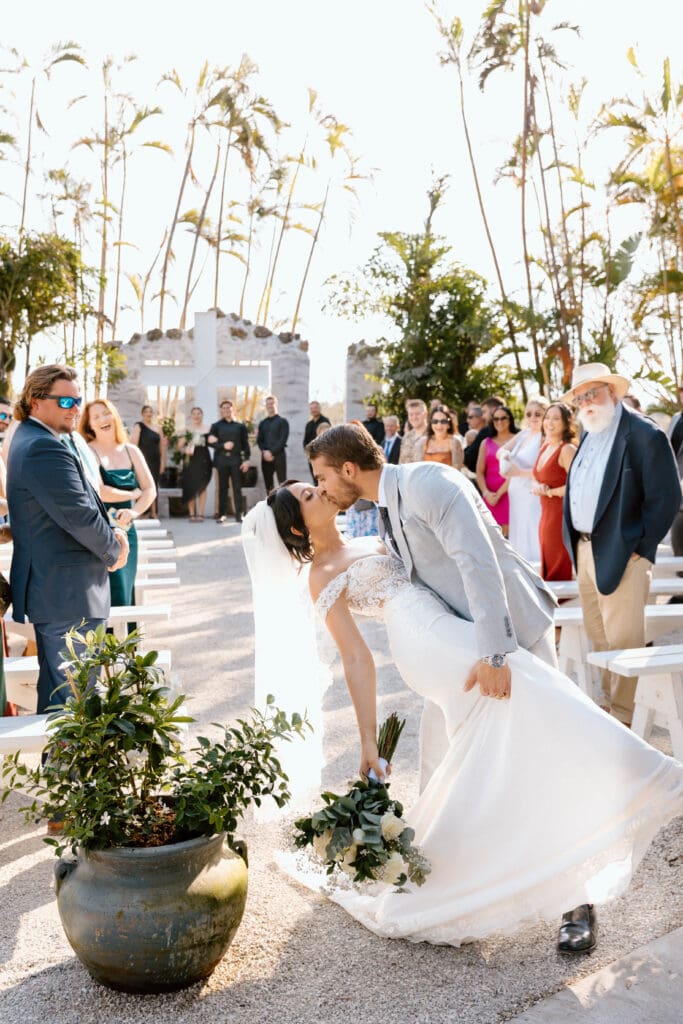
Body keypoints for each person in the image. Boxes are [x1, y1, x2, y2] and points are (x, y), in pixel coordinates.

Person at [243, 466, 683, 952]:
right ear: (298, 528)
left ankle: (483, 870)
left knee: (504, 745)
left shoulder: (372, 532)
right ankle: (655, 777)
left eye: (316, 483)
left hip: (449, 626)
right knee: (538, 695)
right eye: (309, 493)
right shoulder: (321, 574)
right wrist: (367, 741)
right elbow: (356, 658)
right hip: (427, 644)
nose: (320, 489)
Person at [562, 363, 681, 727]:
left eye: (593, 393)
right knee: (599, 640)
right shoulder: (591, 433)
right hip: (585, 550)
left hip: (624, 552)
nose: (586, 403)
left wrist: (642, 546)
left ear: (612, 392)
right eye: (580, 398)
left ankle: (624, 723)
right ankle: (607, 714)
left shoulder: (644, 434)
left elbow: (667, 497)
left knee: (623, 643)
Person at [7, 365, 129, 715]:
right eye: (65, 400)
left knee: (65, 703)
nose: (75, 408)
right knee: (72, 709)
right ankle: (65, 772)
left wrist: (115, 529)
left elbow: (82, 505)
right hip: (67, 596)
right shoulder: (42, 447)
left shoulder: (40, 439)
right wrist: (115, 549)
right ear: (35, 401)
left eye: (78, 399)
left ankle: (60, 771)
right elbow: (80, 515)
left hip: (61, 593)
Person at [79, 399, 156, 614]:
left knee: (125, 586)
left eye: (106, 413)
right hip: (101, 530)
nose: (103, 419)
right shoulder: (88, 452)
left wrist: (134, 510)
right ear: (90, 426)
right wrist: (132, 494)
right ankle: (106, 645)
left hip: (127, 530)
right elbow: (100, 490)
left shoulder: (132, 451)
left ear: (114, 416)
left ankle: (126, 647)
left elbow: (150, 489)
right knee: (106, 591)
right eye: (96, 417)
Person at [531, 403, 577, 581]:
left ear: (566, 423)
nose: (550, 422)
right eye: (547, 418)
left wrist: (549, 492)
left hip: (560, 517)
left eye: (556, 418)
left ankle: (563, 607)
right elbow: (536, 476)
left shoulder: (567, 449)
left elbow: (577, 486)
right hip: (545, 516)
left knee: (558, 567)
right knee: (548, 563)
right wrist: (537, 486)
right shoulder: (545, 446)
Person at [499, 398, 547, 564]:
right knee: (518, 529)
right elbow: (501, 450)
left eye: (538, 414)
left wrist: (517, 472)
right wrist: (505, 459)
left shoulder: (545, 437)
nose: (533, 417)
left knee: (532, 529)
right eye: (529, 414)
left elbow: (544, 471)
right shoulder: (524, 433)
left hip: (531, 492)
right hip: (516, 491)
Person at [475, 405, 516, 536]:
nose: (499, 422)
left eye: (503, 418)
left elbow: (517, 469)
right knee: (491, 535)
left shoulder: (518, 440)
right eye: (496, 419)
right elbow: (479, 472)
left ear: (510, 419)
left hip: (511, 493)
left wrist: (499, 494)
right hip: (490, 495)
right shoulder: (485, 443)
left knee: (510, 535)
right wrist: (486, 493)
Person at [208, 399, 251, 524]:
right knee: (222, 488)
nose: (226, 410)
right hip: (221, 460)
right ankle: (222, 514)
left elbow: (245, 445)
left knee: (237, 488)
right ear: (221, 411)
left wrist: (247, 460)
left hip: (236, 460)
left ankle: (239, 514)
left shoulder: (240, 426)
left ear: (233, 409)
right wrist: (223, 446)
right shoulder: (216, 426)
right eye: (223, 408)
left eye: (228, 407)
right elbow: (211, 443)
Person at [179, 406, 213, 522]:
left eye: (199, 413)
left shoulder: (208, 429)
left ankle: (200, 514)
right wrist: (185, 450)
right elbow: (179, 447)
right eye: (194, 413)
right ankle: (192, 514)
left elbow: (213, 442)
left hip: (204, 459)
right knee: (190, 486)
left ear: (202, 415)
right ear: (191, 415)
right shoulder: (186, 429)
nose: (196, 416)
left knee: (203, 486)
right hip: (191, 460)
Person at [131, 405, 165, 517]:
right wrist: (134, 462)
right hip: (142, 461)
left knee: (154, 485)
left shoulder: (158, 429)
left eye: (150, 412)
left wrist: (163, 463)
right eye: (146, 411)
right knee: (142, 486)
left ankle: (154, 512)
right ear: (142, 413)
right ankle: (141, 512)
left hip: (155, 462)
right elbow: (133, 445)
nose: (148, 414)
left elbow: (162, 447)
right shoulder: (138, 426)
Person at [463, 395, 504, 475]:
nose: (483, 416)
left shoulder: (487, 431)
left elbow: (468, 459)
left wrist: (469, 444)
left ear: (493, 410)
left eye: (484, 412)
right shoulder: (517, 432)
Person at [256, 395, 289, 493]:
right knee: (268, 485)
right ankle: (271, 506)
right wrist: (264, 452)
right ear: (266, 406)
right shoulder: (262, 423)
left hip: (279, 456)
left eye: (272, 403)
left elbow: (283, 439)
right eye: (267, 404)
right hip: (265, 457)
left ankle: (283, 506)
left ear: (276, 404)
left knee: (282, 483)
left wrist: (272, 452)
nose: (270, 406)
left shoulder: (283, 421)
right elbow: (259, 440)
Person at [303, 401, 331, 482]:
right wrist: (308, 453)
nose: (313, 410)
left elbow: (329, 438)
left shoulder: (325, 421)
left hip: (323, 456)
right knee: (315, 479)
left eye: (315, 408)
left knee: (324, 479)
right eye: (311, 408)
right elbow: (305, 441)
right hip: (312, 456)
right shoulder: (308, 424)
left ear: (319, 408)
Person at [398, 399, 428, 464]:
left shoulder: (432, 435)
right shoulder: (406, 437)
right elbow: (401, 462)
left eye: (417, 414)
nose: (414, 417)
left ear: (425, 414)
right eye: (411, 414)